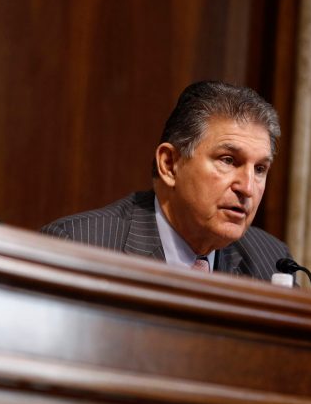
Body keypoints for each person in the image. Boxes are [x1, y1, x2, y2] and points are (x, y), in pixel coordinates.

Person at [41, 80, 292, 282]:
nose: (247, 188)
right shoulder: (81, 246)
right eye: (227, 160)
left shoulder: (271, 261)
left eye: (260, 169)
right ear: (169, 164)